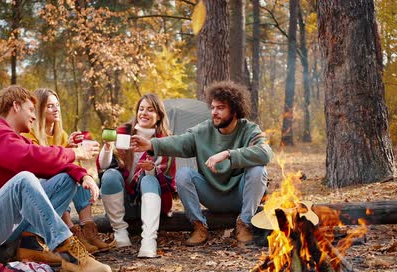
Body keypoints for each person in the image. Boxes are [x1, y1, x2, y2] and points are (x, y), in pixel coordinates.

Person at [0, 85, 112, 272]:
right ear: (16, 106)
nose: (34, 116)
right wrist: (75, 152)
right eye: (31, 110)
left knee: (66, 179)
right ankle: (70, 254)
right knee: (24, 180)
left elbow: (48, 161)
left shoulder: (16, 139)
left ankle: (29, 245)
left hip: (7, 225)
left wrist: (82, 175)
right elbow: (29, 159)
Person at [131, 81, 272, 245]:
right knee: (184, 174)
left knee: (258, 169)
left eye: (220, 108)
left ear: (234, 109)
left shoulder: (249, 129)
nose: (214, 112)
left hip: (240, 195)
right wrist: (151, 144)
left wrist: (227, 154)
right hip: (211, 195)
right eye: (212, 108)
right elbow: (179, 142)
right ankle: (199, 225)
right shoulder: (203, 130)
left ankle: (245, 223)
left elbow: (265, 152)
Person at [24, 88, 113, 254]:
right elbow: (43, 164)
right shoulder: (29, 134)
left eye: (57, 105)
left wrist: (70, 148)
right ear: (39, 109)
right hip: (39, 186)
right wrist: (66, 150)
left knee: (79, 171)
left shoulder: (61, 133)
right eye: (50, 106)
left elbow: (65, 160)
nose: (56, 109)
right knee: (67, 176)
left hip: (55, 180)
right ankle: (70, 232)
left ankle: (87, 228)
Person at [98, 93, 176, 258]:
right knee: (110, 174)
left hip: (149, 207)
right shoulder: (123, 133)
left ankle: (148, 241)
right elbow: (104, 166)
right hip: (123, 204)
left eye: (150, 110)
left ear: (159, 115)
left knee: (149, 178)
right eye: (141, 109)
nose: (144, 113)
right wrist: (107, 148)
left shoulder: (164, 141)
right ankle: (120, 232)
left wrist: (151, 170)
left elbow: (167, 180)